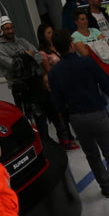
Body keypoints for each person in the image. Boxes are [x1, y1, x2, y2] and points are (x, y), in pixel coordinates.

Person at [49, 29, 109, 214]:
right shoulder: (87, 63)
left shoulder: (54, 72)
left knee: (92, 155)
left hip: (77, 118)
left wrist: (66, 118)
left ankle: (105, 187)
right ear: (70, 44)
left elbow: (57, 103)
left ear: (57, 49)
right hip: (97, 113)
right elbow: (105, 82)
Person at [0, 16, 56, 141]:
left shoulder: (22, 41)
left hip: (34, 83)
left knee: (41, 115)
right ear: (1, 31)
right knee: (27, 118)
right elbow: (14, 66)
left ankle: (46, 141)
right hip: (19, 87)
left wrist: (24, 59)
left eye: (11, 28)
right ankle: (34, 143)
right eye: (6, 29)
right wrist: (28, 56)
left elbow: (38, 57)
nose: (10, 31)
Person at [71, 9, 109, 128]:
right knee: (96, 96)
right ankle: (102, 120)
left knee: (107, 94)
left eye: (86, 19)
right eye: (82, 19)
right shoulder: (74, 36)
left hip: (102, 68)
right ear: (76, 22)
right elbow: (84, 53)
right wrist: (97, 46)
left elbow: (105, 46)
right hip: (88, 71)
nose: (85, 21)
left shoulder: (94, 30)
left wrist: (89, 46)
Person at [37, 23, 78, 151]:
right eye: (48, 33)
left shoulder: (59, 46)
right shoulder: (43, 53)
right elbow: (48, 71)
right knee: (61, 115)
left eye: (52, 32)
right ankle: (66, 139)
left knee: (71, 111)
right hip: (56, 84)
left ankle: (74, 135)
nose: (51, 35)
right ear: (43, 36)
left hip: (68, 82)